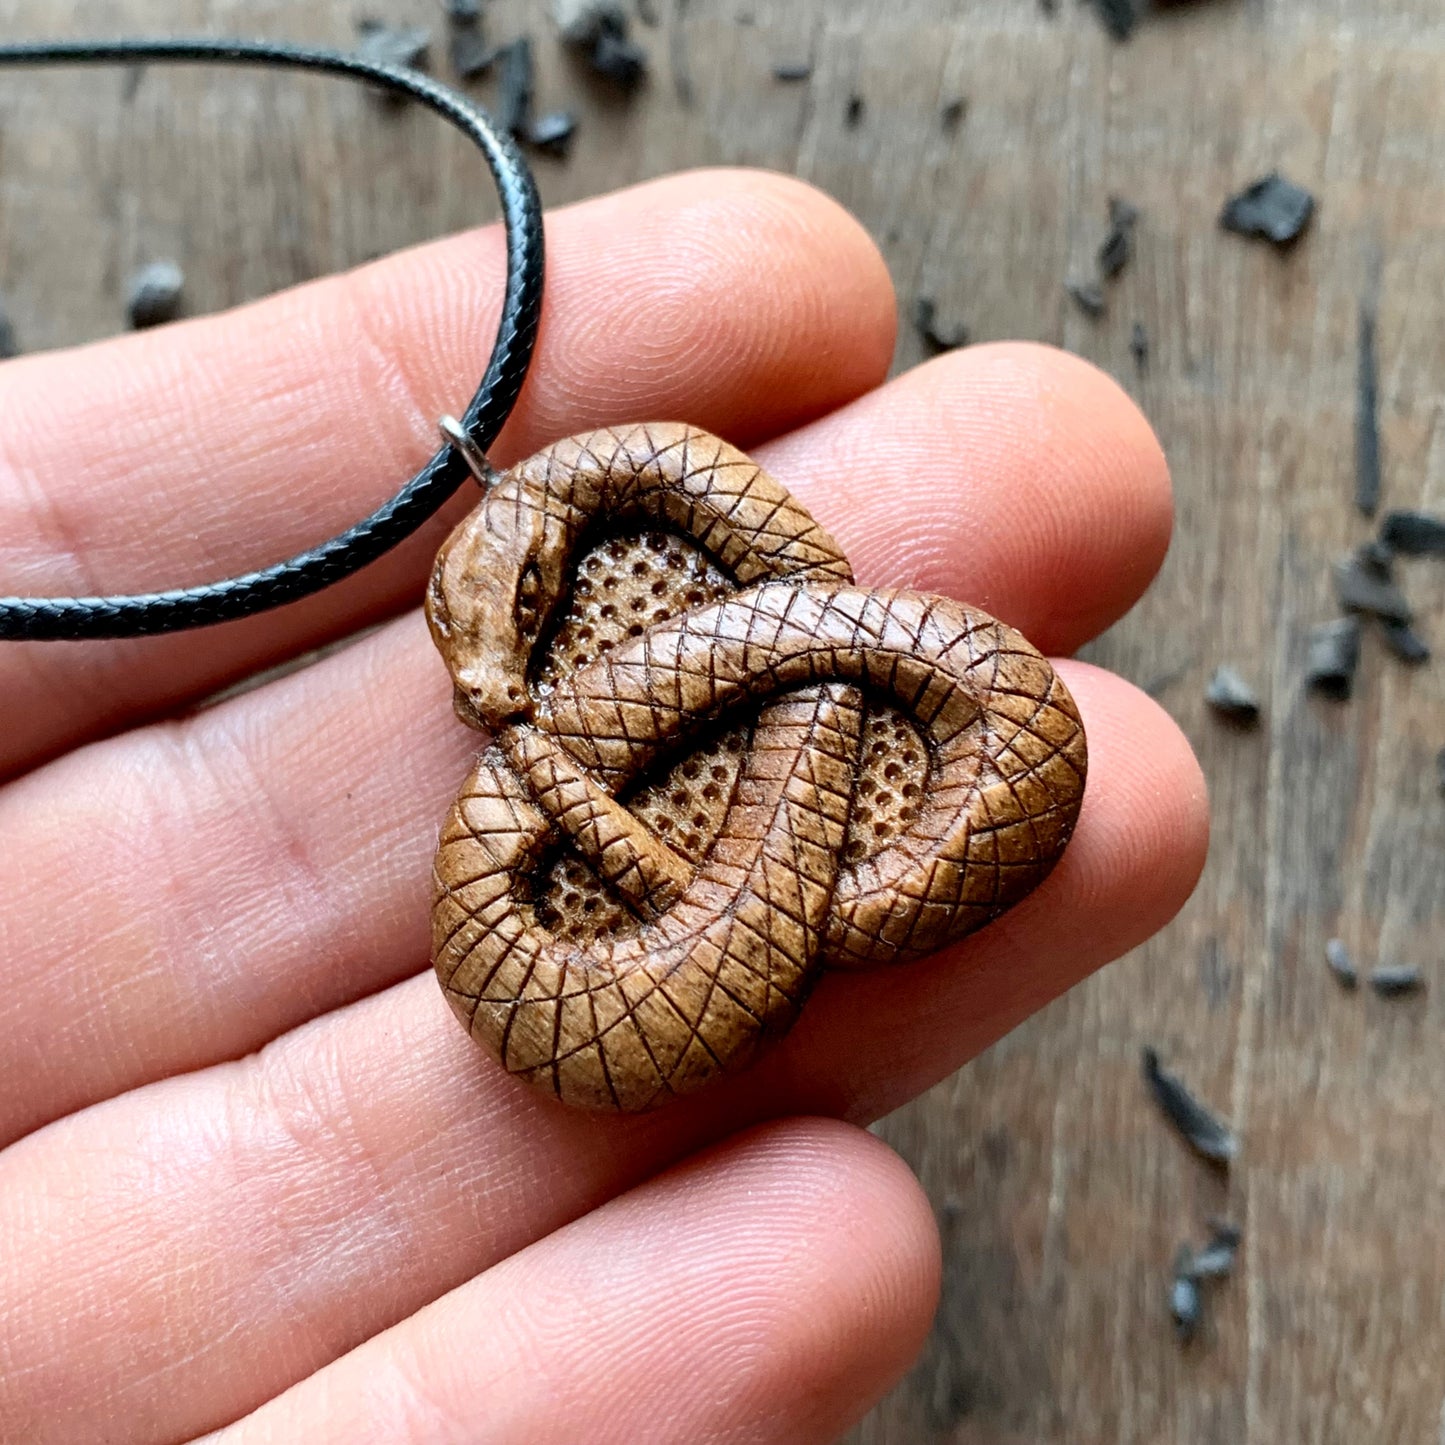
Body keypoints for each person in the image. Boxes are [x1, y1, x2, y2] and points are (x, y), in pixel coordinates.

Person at [0, 170, 1207, 1443]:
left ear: (551, 572)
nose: (489, 695)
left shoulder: (666, 534)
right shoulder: (615, 653)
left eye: (512, 640)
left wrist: (638, 824)